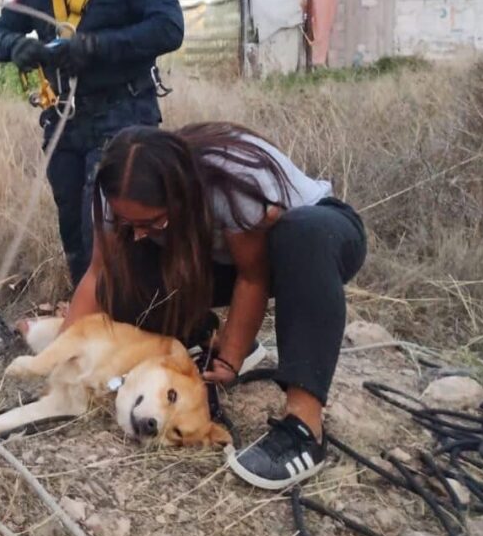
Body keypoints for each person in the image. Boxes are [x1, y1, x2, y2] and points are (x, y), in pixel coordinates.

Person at [66, 122, 366, 490]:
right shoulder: (114, 192)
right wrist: (62, 356)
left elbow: (253, 277)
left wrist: (231, 359)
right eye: (128, 223)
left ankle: (305, 428)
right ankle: (202, 338)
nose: (139, 232)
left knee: (301, 234)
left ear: (181, 196)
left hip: (311, 246)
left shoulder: (233, 180)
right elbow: (98, 274)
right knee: (124, 276)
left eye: (151, 221)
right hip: (219, 259)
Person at [0, 0, 184, 287]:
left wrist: (92, 47)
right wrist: (15, 46)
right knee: (74, 230)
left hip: (123, 114)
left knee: (109, 228)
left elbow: (168, 29)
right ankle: (89, 318)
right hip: (65, 121)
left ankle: (133, 319)